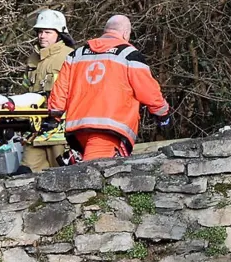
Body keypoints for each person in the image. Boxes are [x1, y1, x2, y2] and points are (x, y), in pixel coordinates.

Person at [47, 15, 170, 161]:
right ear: (125, 33)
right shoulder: (129, 55)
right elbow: (149, 92)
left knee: (87, 171)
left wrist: (54, 116)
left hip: (78, 128)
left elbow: (60, 89)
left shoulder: (76, 54)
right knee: (96, 175)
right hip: (109, 128)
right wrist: (163, 114)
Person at [20, 9, 73, 172]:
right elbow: (25, 91)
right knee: (24, 175)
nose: (42, 36)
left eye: (47, 32)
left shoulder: (70, 56)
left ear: (60, 33)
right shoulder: (33, 59)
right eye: (40, 32)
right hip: (35, 133)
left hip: (61, 135)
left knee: (65, 177)